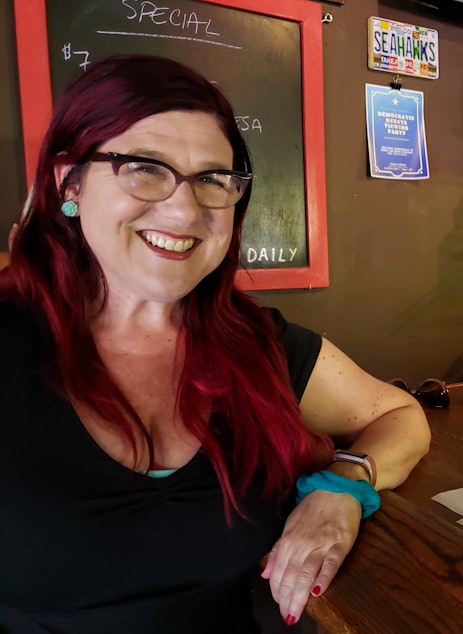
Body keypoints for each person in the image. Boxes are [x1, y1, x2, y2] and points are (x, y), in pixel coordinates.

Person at [0, 54, 430, 633]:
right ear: (69, 181)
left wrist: (343, 486)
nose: (183, 209)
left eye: (211, 179)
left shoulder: (257, 344)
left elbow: (401, 415)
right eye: (143, 167)